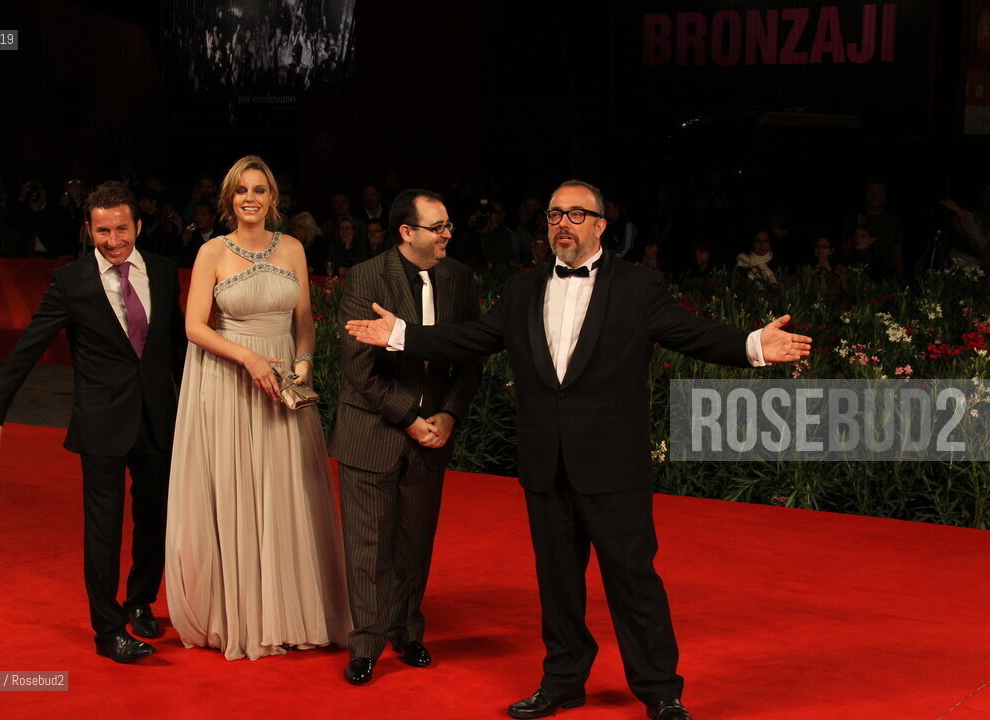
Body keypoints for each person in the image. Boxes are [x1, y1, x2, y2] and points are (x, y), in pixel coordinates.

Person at [345, 180, 812, 720]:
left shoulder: (637, 287)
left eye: (574, 214)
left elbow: (692, 333)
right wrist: (401, 335)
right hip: (547, 464)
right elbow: (469, 339)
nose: (561, 224)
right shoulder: (522, 290)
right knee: (558, 585)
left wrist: (753, 344)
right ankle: (563, 681)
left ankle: (660, 691)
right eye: (553, 215)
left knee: (633, 583)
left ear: (600, 224)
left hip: (614, 467)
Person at [0, 181, 187, 663]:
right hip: (101, 423)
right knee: (103, 527)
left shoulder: (160, 270)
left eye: (120, 229)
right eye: (101, 231)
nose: (112, 241)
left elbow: (176, 350)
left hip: (158, 418)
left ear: (137, 225)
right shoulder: (71, 282)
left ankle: (139, 602)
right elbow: (29, 345)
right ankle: (108, 629)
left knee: (154, 517)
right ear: (88, 230)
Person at [165, 155, 350, 661]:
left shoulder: (293, 248)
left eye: (260, 190)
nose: (251, 198)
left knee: (288, 491)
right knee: (239, 491)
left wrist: (304, 365)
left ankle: (293, 612)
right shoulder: (211, 253)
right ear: (229, 200)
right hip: (230, 383)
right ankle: (244, 613)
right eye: (241, 190)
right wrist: (248, 358)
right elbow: (195, 327)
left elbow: (304, 321)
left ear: (274, 199)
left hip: (285, 387)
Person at [330, 188, 481, 685]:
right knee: (368, 545)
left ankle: (407, 630)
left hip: (434, 433)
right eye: (437, 227)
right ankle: (367, 643)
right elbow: (358, 369)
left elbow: (469, 357)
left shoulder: (459, 278)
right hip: (373, 430)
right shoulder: (366, 276)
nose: (447, 235)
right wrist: (411, 418)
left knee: (415, 542)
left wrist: (448, 416)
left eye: (448, 226)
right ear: (406, 232)